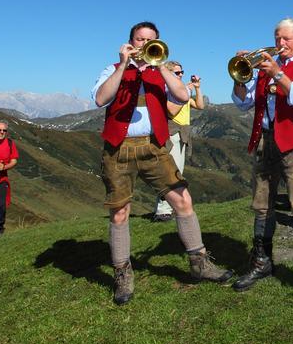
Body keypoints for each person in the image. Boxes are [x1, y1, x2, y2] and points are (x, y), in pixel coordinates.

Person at [92, 21, 231, 306]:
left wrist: (162, 66)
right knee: (120, 212)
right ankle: (122, 273)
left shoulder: (159, 72)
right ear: (130, 42)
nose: (144, 44)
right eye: (140, 40)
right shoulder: (112, 69)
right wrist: (122, 65)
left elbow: (182, 96)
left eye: (150, 40)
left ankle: (199, 263)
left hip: (154, 147)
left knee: (182, 199)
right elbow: (100, 98)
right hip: (119, 148)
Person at [231, 17, 293, 303]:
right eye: (277, 38)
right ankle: (262, 261)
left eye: (286, 39)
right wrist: (239, 78)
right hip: (266, 141)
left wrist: (277, 74)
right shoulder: (262, 68)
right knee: (262, 204)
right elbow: (243, 102)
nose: (280, 44)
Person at [153, 61, 205, 222]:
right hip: (172, 133)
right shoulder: (167, 92)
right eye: (177, 73)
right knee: (170, 172)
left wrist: (196, 87)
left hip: (182, 134)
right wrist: (187, 90)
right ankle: (162, 211)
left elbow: (200, 105)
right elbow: (171, 110)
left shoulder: (181, 92)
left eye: (182, 72)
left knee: (178, 172)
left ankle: (170, 208)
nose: (181, 75)